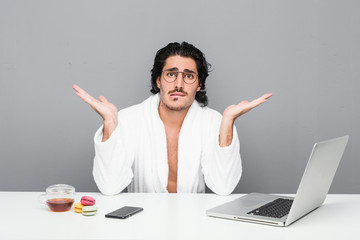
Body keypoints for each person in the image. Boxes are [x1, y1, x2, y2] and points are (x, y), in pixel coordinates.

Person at [73, 42, 272, 196]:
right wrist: (109, 123)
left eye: (188, 76)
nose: (178, 84)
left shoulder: (213, 122)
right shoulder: (128, 119)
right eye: (171, 74)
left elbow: (223, 187)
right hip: (140, 224)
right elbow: (110, 187)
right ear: (158, 81)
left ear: (199, 84)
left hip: (194, 224)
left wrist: (227, 121)